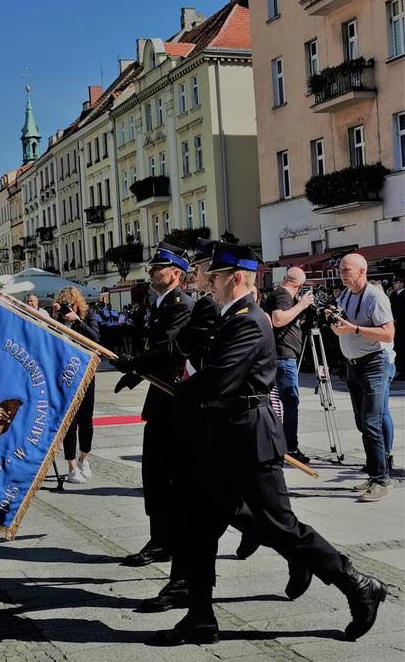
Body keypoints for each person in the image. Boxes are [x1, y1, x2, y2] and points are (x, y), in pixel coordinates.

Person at [150, 242, 388, 646]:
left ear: (236, 278)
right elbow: (201, 359)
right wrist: (149, 366)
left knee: (284, 528)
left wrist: (176, 394)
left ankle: (358, 584)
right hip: (224, 440)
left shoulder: (249, 320)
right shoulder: (229, 316)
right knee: (197, 526)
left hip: (250, 441)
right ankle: (200, 618)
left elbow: (220, 379)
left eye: (215, 277)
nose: (207, 283)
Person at [114, 242, 193, 567]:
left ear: (175, 274)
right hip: (161, 401)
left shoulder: (181, 305)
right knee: (155, 475)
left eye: (156, 268)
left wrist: (135, 364)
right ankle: (161, 539)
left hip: (174, 403)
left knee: (166, 477)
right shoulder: (160, 304)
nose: (150, 272)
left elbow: (168, 350)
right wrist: (133, 373)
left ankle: (165, 541)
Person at [328, 253, 395, 502]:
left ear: (361, 271)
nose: (341, 274)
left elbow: (388, 334)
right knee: (361, 423)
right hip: (353, 366)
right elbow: (344, 324)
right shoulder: (346, 294)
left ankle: (380, 479)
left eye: (346, 270)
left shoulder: (375, 297)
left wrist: (353, 329)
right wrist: (335, 323)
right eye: (340, 270)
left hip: (374, 365)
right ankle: (375, 473)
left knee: (371, 423)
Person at [263, 267, 315, 464]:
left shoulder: (281, 295)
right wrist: (302, 305)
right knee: (290, 402)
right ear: (300, 285)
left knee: (280, 402)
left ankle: (282, 445)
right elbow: (278, 319)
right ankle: (290, 447)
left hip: (281, 356)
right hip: (283, 357)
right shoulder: (284, 295)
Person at [53, 286, 100, 483]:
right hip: (65, 375)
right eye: (64, 303)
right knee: (70, 421)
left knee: (86, 420)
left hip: (86, 373)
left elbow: (96, 339)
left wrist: (77, 321)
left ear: (77, 303)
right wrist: (55, 318)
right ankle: (72, 466)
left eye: (70, 303)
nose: (67, 308)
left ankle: (84, 459)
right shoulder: (56, 319)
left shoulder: (88, 316)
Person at [390, 276, 404, 379]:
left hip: (402, 324)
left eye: (396, 282)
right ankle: (400, 369)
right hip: (396, 325)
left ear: (401, 283)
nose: (394, 285)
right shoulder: (394, 295)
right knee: (398, 348)